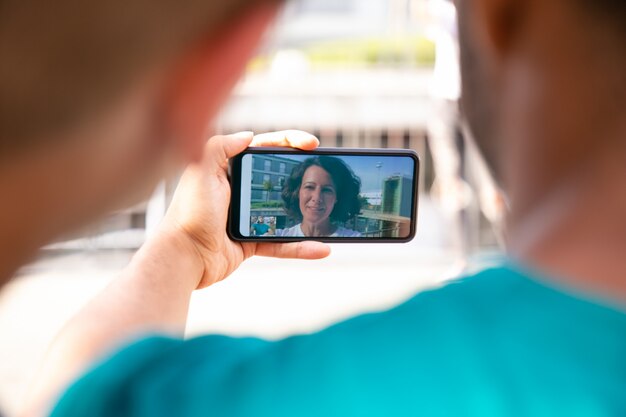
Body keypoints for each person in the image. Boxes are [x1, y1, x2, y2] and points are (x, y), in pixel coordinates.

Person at [0, 0, 622, 416]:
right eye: (308, 189)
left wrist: (180, 251)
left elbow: (70, 394)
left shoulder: (307, 391)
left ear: (498, 13)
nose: (314, 197)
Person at [276, 156, 362, 237]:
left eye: (326, 190)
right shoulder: (276, 237)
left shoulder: (354, 241)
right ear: (297, 192)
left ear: (337, 197)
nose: (317, 198)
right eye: (309, 187)